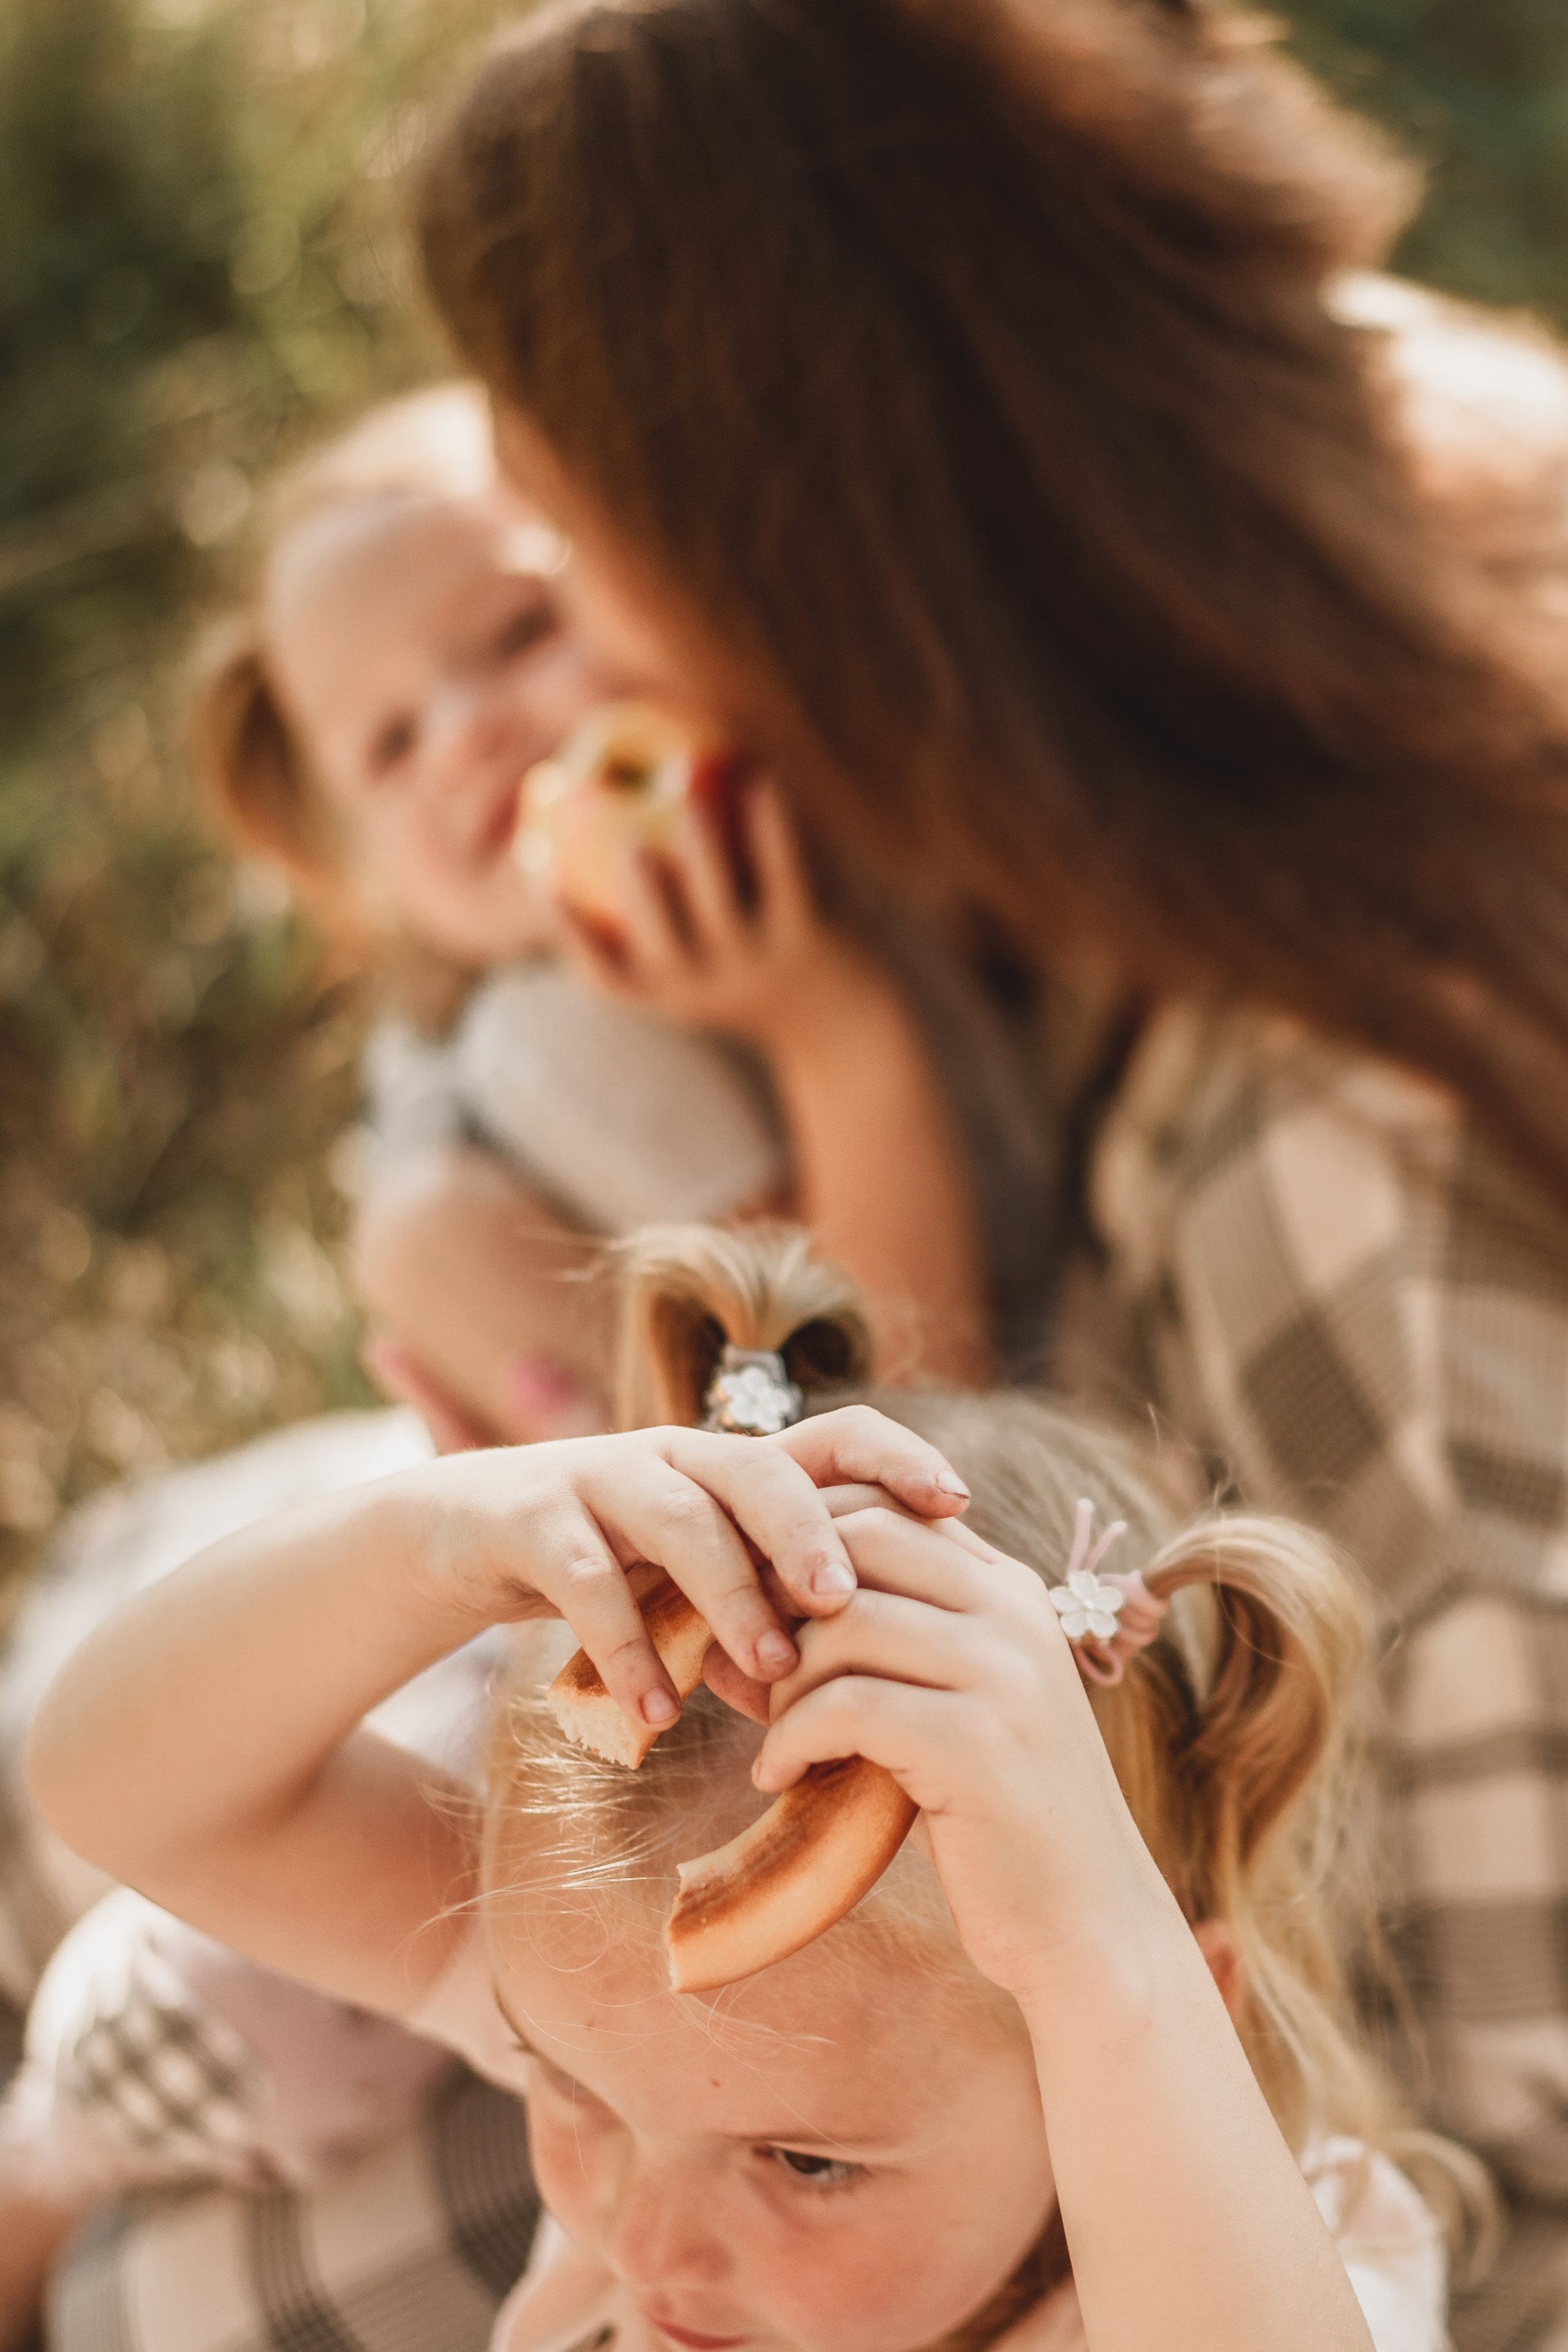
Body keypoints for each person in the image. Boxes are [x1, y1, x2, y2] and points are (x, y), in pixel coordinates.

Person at [392, 6, 1568, 2343]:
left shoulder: (1326, 1153)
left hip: (1308, 2151)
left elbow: (1516, 2131)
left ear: (793, 543)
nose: (576, 672)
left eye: (571, 558)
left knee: (345, 2184)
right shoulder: (1130, 761)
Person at [24, 1221, 1476, 2352]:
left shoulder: (1281, 2255)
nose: (645, 2245)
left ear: (1150, 2037)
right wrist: (438, 1539)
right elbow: (118, 1796)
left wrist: (1102, 1975)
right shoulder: (643, 2013)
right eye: (570, 2090)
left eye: (802, 2163)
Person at [187, 380, 1042, 1439]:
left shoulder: (784, 810)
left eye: (517, 633)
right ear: (364, 868)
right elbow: (879, 1394)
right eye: (392, 745)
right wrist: (823, 1017)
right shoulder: (570, 1038)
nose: (462, 738)